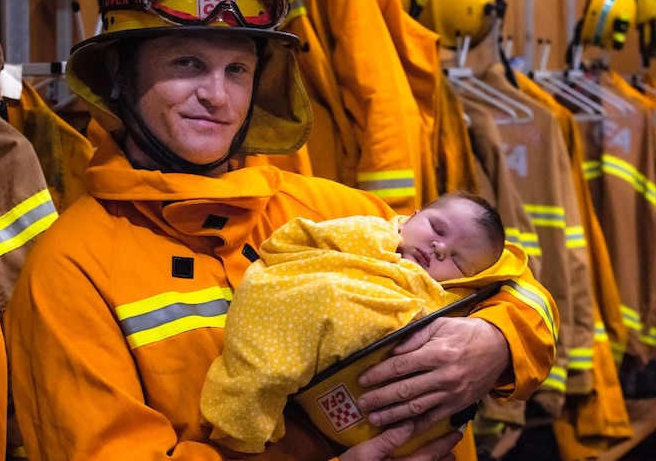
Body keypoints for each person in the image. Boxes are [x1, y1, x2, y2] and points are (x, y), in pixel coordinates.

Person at [4, 0, 559, 461]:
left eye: (238, 69)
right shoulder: (70, 272)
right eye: (187, 63)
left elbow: (516, 281)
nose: (217, 96)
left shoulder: (337, 211)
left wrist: (496, 342)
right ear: (118, 75)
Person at [200, 193, 524, 453]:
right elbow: (299, 245)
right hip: (323, 398)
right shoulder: (366, 229)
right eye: (437, 230)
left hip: (408, 430)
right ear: (412, 216)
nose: (439, 248)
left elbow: (511, 294)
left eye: (457, 259)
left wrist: (494, 338)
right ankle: (245, 406)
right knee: (320, 297)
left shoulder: (465, 299)